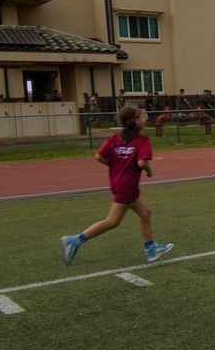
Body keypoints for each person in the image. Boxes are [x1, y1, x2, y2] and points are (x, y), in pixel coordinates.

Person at [59, 106, 173, 266]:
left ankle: (150, 249)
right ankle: (74, 240)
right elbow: (141, 162)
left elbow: (99, 156)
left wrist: (116, 166)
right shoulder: (143, 140)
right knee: (113, 221)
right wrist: (149, 171)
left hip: (118, 184)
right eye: (140, 117)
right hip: (128, 187)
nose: (143, 120)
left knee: (145, 214)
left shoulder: (114, 138)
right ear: (131, 121)